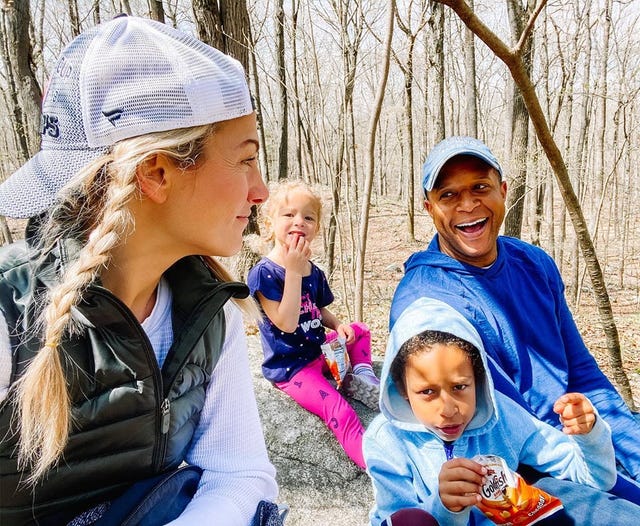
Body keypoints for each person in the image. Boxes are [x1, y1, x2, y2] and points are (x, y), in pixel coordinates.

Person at [0, 16, 282, 526]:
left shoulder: (207, 310)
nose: (260, 190)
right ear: (156, 173)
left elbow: (239, 475)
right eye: (244, 160)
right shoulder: (8, 316)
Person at [390, 136, 640, 503]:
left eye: (480, 187)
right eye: (448, 195)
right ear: (429, 208)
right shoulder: (428, 301)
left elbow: (582, 371)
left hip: (582, 439)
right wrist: (619, 480)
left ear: (503, 191)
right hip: (518, 467)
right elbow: (502, 423)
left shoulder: (534, 263)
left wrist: (626, 440)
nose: (468, 204)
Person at [364, 296, 640, 526]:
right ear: (402, 390)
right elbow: (396, 517)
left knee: (558, 494)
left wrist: (589, 436)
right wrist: (446, 505)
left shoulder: (503, 418)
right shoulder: (387, 440)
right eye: (427, 392)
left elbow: (597, 479)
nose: (448, 410)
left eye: (460, 387)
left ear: (479, 379)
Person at [247, 180, 379, 469]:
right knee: (339, 410)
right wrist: (293, 272)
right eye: (289, 215)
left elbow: (318, 309)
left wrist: (338, 325)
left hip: (320, 351)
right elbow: (286, 322)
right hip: (292, 368)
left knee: (360, 331)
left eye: (308, 217)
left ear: (316, 227)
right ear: (270, 223)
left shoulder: (313, 271)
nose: (299, 222)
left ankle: (364, 379)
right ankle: (374, 465)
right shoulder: (265, 274)